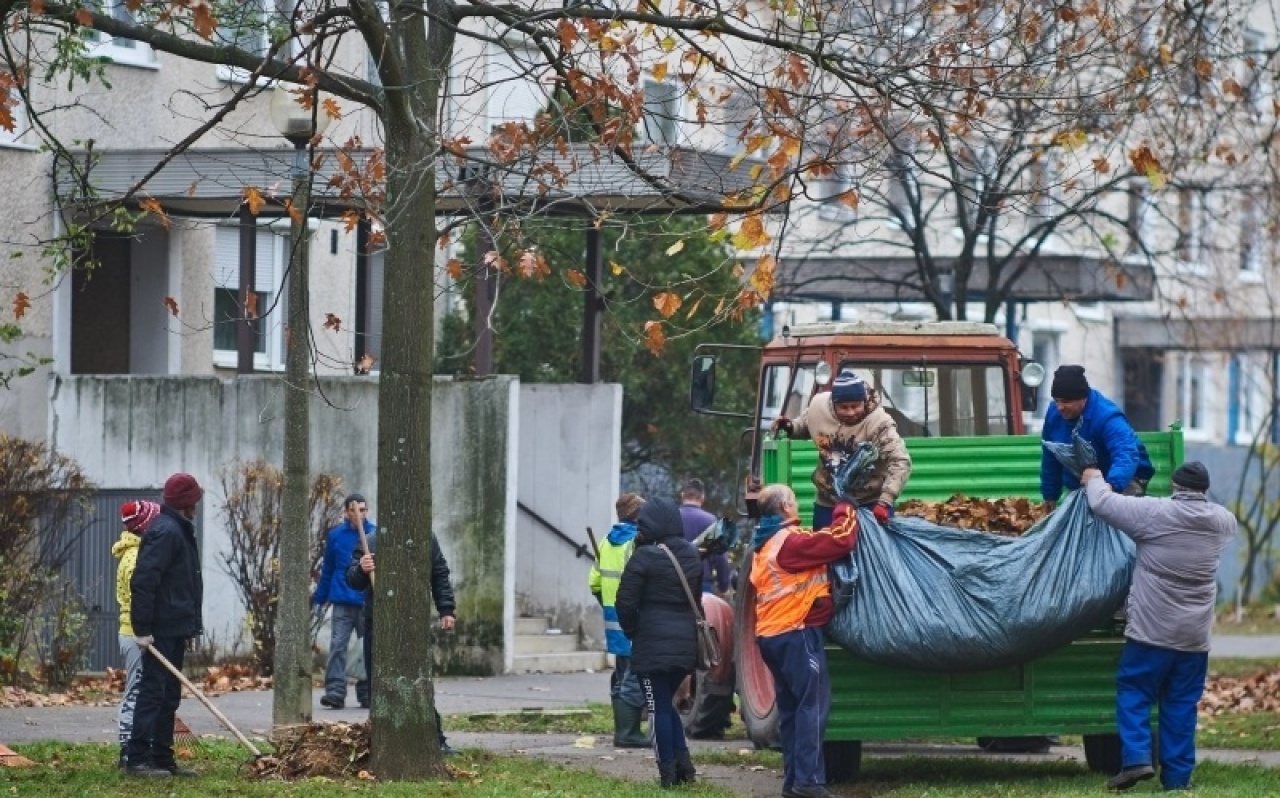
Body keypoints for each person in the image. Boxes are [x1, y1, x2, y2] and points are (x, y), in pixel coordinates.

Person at [1082, 461, 1237, 792]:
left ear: (1176, 487)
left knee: (1134, 690)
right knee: (1181, 704)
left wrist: (1094, 477)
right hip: (1194, 637)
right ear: (1205, 490)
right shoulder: (1223, 521)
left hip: (1152, 632)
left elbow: (1102, 503)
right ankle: (1178, 779)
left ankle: (1137, 758)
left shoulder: (1154, 513)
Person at [750, 483, 859, 798]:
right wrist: (846, 506)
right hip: (795, 633)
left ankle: (793, 782)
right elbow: (842, 539)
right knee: (812, 706)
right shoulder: (791, 542)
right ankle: (808, 782)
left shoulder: (765, 543)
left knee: (791, 711)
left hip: (771, 636)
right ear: (785, 507)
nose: (797, 505)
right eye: (794, 500)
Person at [615, 497, 702, 789]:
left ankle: (667, 775)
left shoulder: (644, 557)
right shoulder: (692, 554)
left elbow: (625, 602)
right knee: (666, 705)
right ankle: (684, 768)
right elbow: (697, 600)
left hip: (652, 645)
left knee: (657, 709)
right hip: (686, 645)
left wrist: (632, 631)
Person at [347, 528, 457, 753]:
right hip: (378, 622)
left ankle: (434, 738)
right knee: (379, 684)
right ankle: (383, 739)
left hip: (414, 622)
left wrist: (446, 609)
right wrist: (361, 569)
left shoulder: (425, 538)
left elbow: (439, 573)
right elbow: (352, 579)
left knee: (417, 682)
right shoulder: (371, 541)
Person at [125, 473, 204, 779]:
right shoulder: (166, 532)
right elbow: (144, 582)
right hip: (160, 629)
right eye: (195, 500)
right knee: (152, 693)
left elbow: (183, 582)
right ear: (186, 502)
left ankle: (162, 759)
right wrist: (143, 628)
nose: (197, 505)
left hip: (175, 627)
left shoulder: (178, 529)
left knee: (168, 695)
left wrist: (190, 626)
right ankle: (138, 759)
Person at [772, 369, 911, 529]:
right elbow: (804, 424)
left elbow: (900, 461)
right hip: (828, 502)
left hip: (869, 502)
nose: (851, 412)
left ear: (864, 401)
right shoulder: (818, 407)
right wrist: (789, 427)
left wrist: (885, 501)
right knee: (824, 544)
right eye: (844, 407)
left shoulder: (879, 422)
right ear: (833, 404)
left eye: (855, 406)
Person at [1040, 364, 1155, 509]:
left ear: (1083, 399)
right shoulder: (1054, 414)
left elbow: (1126, 454)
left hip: (1126, 477)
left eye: (1066, 402)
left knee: (1113, 515)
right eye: (1057, 400)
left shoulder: (1107, 417)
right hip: (1084, 478)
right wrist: (1049, 497)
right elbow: (1051, 457)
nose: (1060, 407)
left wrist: (1109, 488)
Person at [588, 492, 649, 748]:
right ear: (637, 515)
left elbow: (594, 582)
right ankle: (628, 733)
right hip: (634, 616)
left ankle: (623, 730)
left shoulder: (605, 541)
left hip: (613, 617)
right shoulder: (637, 542)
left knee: (622, 672)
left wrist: (608, 605)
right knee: (634, 675)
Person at [314, 493, 373, 710]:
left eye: (363, 510)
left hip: (366, 600)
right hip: (342, 599)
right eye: (355, 510)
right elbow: (328, 568)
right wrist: (320, 597)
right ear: (347, 512)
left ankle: (367, 692)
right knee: (338, 646)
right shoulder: (336, 536)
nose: (359, 514)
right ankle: (335, 692)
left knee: (367, 648)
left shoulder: (374, 534)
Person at [113, 499, 160, 769]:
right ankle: (127, 748)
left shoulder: (140, 553)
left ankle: (139, 745)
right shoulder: (134, 559)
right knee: (136, 691)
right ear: (145, 526)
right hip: (135, 634)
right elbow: (138, 599)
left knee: (142, 689)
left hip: (137, 632)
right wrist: (146, 630)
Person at [677, 478, 731, 595]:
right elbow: (720, 557)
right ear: (702, 497)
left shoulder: (672, 517)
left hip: (673, 580)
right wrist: (724, 586)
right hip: (701, 582)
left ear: (682, 496)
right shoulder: (710, 520)